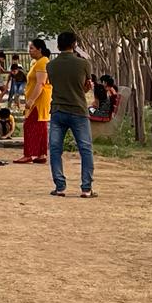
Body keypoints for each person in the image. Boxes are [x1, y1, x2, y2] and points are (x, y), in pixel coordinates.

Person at [46, 31, 96, 197]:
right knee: (85, 149)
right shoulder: (83, 64)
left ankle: (60, 186)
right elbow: (85, 86)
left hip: (58, 110)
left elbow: (56, 84)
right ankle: (86, 188)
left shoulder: (51, 65)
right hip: (78, 110)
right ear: (74, 44)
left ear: (58, 46)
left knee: (55, 149)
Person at [14, 38, 53, 164]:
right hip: (38, 98)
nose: (29, 51)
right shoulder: (37, 62)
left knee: (30, 125)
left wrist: (31, 100)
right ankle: (41, 154)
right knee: (40, 126)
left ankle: (29, 154)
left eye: (31, 48)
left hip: (38, 100)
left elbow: (40, 83)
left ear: (39, 49)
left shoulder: (43, 62)